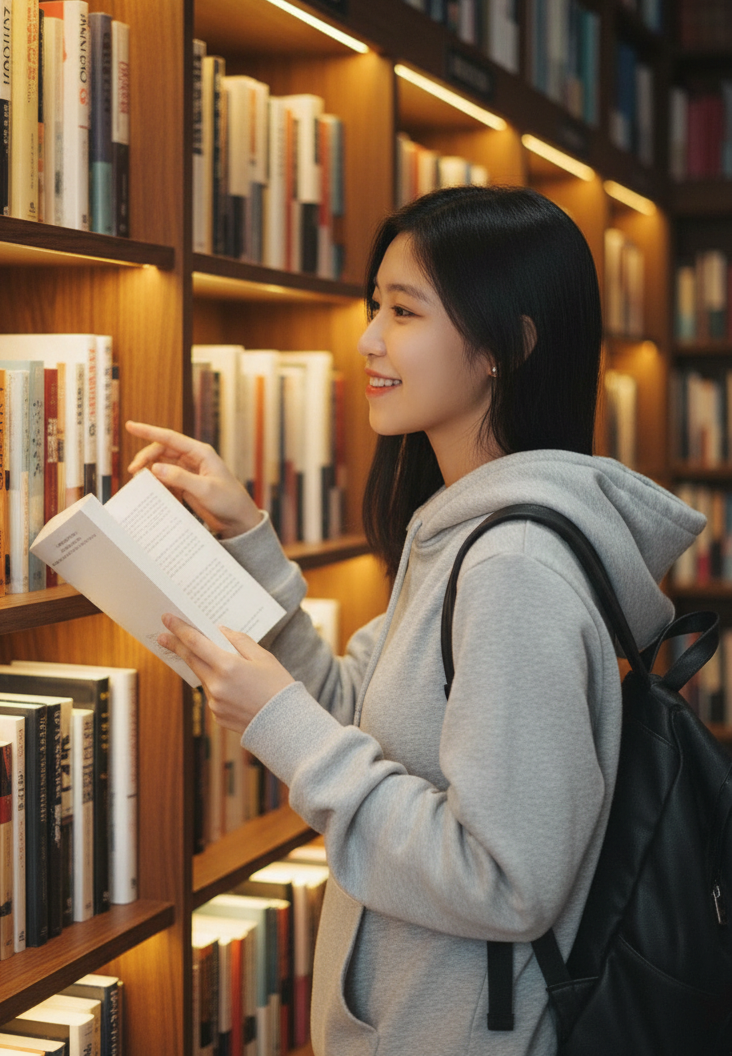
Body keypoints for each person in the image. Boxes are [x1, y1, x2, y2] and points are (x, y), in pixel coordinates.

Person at [127, 185, 704, 1056]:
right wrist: (248, 539)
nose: (368, 339)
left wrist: (280, 721)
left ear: (507, 346)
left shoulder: (512, 567)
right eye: (375, 306)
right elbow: (358, 716)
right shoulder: (458, 530)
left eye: (403, 311)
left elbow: (507, 881)